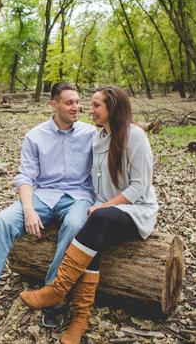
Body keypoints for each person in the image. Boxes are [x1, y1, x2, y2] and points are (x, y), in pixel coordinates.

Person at [20, 85, 158, 344]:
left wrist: (105, 206)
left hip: (136, 210)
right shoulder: (98, 138)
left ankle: (56, 290)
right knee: (92, 233)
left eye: (96, 105)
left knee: (97, 220)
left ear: (112, 109)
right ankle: (80, 318)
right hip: (104, 213)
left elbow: (140, 187)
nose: (89, 110)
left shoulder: (135, 136)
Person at [0, 83, 97, 330]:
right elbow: (25, 178)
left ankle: (53, 297)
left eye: (77, 102)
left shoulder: (91, 133)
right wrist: (29, 210)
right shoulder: (35, 136)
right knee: (3, 220)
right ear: (54, 105)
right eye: (69, 103)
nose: (76, 107)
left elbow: (120, 133)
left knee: (75, 224)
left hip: (78, 196)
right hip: (43, 195)